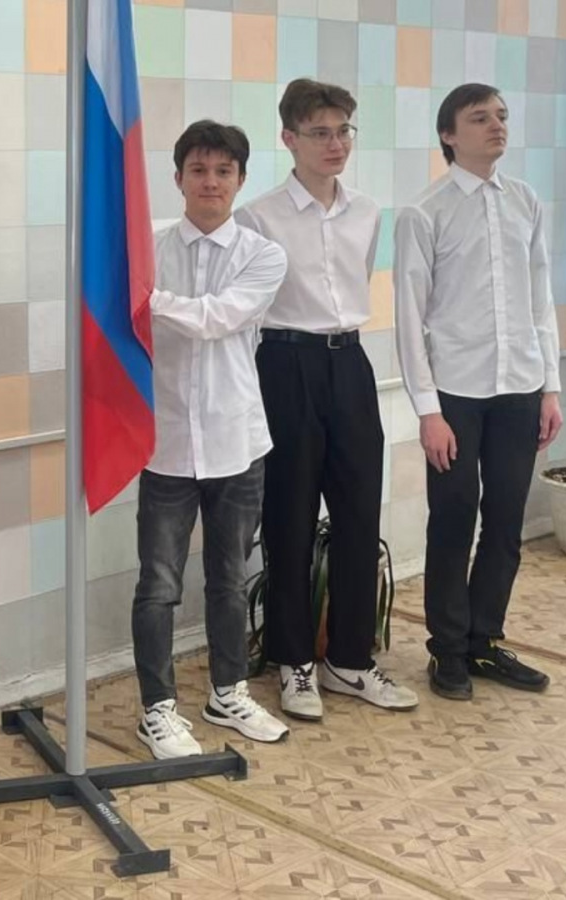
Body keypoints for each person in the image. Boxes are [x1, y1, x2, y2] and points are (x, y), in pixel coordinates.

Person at [239, 79, 419, 722]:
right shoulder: (258, 217)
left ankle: (349, 659)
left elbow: (356, 282)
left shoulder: (366, 212)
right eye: (320, 132)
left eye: (344, 130)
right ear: (289, 139)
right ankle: (294, 661)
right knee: (289, 516)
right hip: (285, 362)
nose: (336, 143)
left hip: (350, 362)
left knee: (358, 512)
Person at [393, 83, 564, 701]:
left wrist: (550, 388)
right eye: (479, 118)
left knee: (506, 520)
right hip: (456, 395)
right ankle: (448, 649)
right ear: (449, 134)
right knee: (454, 517)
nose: (497, 126)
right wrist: (428, 411)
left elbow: (540, 299)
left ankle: (484, 641)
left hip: (520, 386)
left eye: (502, 116)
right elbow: (409, 318)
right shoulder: (424, 212)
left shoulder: (525, 202)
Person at [132, 120, 291, 761]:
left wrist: (147, 300)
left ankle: (228, 691)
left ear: (240, 180)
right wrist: (138, 291)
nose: (210, 182)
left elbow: (218, 318)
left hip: (236, 441)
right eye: (198, 170)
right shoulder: (147, 249)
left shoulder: (262, 254)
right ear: (178, 179)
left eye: (223, 171)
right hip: (165, 441)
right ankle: (157, 709)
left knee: (228, 579)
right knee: (158, 585)